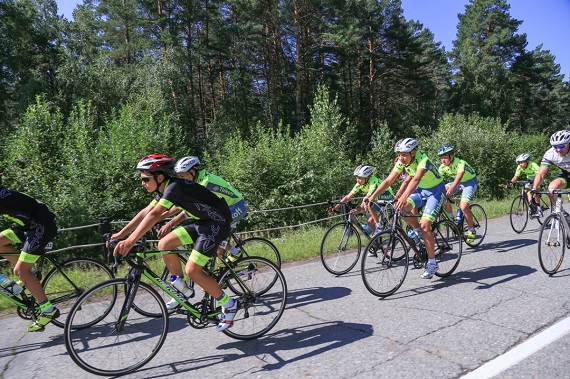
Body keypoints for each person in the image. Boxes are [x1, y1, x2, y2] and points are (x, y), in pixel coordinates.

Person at [112, 154, 238, 331]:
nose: (143, 183)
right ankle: (182, 288)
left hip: (217, 224)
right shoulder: (165, 188)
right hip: (201, 223)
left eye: (146, 179)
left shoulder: (174, 186)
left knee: (193, 270)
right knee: (164, 244)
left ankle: (230, 304)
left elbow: (156, 215)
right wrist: (120, 234)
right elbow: (145, 212)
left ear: (160, 177)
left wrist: (131, 241)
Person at [156, 156, 247, 309]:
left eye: (183, 175)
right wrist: (162, 216)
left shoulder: (206, 183)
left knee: (217, 234)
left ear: (193, 172)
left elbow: (183, 208)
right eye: (178, 176)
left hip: (235, 206)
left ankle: (231, 255)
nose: (180, 178)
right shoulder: (194, 181)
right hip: (219, 210)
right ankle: (220, 267)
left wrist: (169, 220)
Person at [369, 138, 446, 279]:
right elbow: (388, 180)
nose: (401, 158)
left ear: (413, 152)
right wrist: (372, 196)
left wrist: (403, 196)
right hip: (422, 190)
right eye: (399, 154)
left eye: (404, 155)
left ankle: (432, 263)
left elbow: (415, 180)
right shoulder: (401, 161)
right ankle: (418, 232)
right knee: (401, 209)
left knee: (425, 225)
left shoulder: (423, 160)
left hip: (436, 191)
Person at [0, 174, 59, 332]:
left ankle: (48, 310)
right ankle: (30, 273)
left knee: (19, 271)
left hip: (41, 226)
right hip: (29, 225)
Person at [328, 165, 394, 237]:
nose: (357, 180)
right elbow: (348, 196)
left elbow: (368, 197)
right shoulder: (359, 184)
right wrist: (335, 207)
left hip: (386, 195)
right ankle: (376, 239)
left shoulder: (373, 181)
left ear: (367, 177)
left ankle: (379, 226)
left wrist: (359, 209)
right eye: (356, 178)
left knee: (367, 202)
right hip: (376, 197)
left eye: (360, 178)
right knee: (369, 222)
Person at [437, 146, 479, 243]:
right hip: (458, 183)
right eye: (441, 158)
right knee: (442, 192)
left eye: (445, 157)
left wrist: (451, 189)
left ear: (452, 156)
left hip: (470, 182)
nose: (443, 160)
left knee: (464, 207)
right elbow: (437, 181)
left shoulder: (460, 163)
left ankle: (471, 230)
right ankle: (451, 220)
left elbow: (459, 178)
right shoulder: (442, 168)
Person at [531, 130, 570, 213]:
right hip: (566, 175)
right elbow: (541, 174)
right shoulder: (550, 153)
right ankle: (561, 213)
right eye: (555, 147)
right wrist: (534, 188)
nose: (558, 150)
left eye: (562, 146)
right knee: (551, 188)